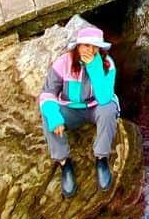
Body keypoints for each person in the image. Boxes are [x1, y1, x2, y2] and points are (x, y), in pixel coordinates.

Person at [38, 24, 119, 197]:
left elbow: (105, 97)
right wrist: (54, 116)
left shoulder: (107, 64)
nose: (91, 50)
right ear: (78, 46)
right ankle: (64, 163)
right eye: (86, 45)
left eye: (95, 46)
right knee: (48, 113)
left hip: (95, 107)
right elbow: (47, 93)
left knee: (109, 108)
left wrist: (95, 67)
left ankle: (101, 159)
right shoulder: (62, 63)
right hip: (69, 108)